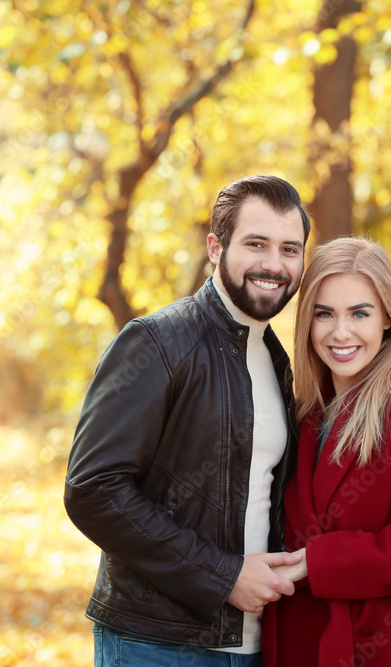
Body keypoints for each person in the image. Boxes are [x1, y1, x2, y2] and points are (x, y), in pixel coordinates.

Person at [64, 175, 311, 667]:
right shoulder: (157, 343)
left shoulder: (279, 360)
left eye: (290, 249)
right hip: (157, 645)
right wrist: (222, 575)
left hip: (258, 645)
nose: (273, 264)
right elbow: (92, 488)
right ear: (215, 248)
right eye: (256, 244)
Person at [263, 237, 391, 667]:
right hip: (302, 640)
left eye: (359, 313)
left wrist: (317, 564)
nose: (340, 332)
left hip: (383, 645)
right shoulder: (305, 413)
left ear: (387, 317)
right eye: (324, 314)